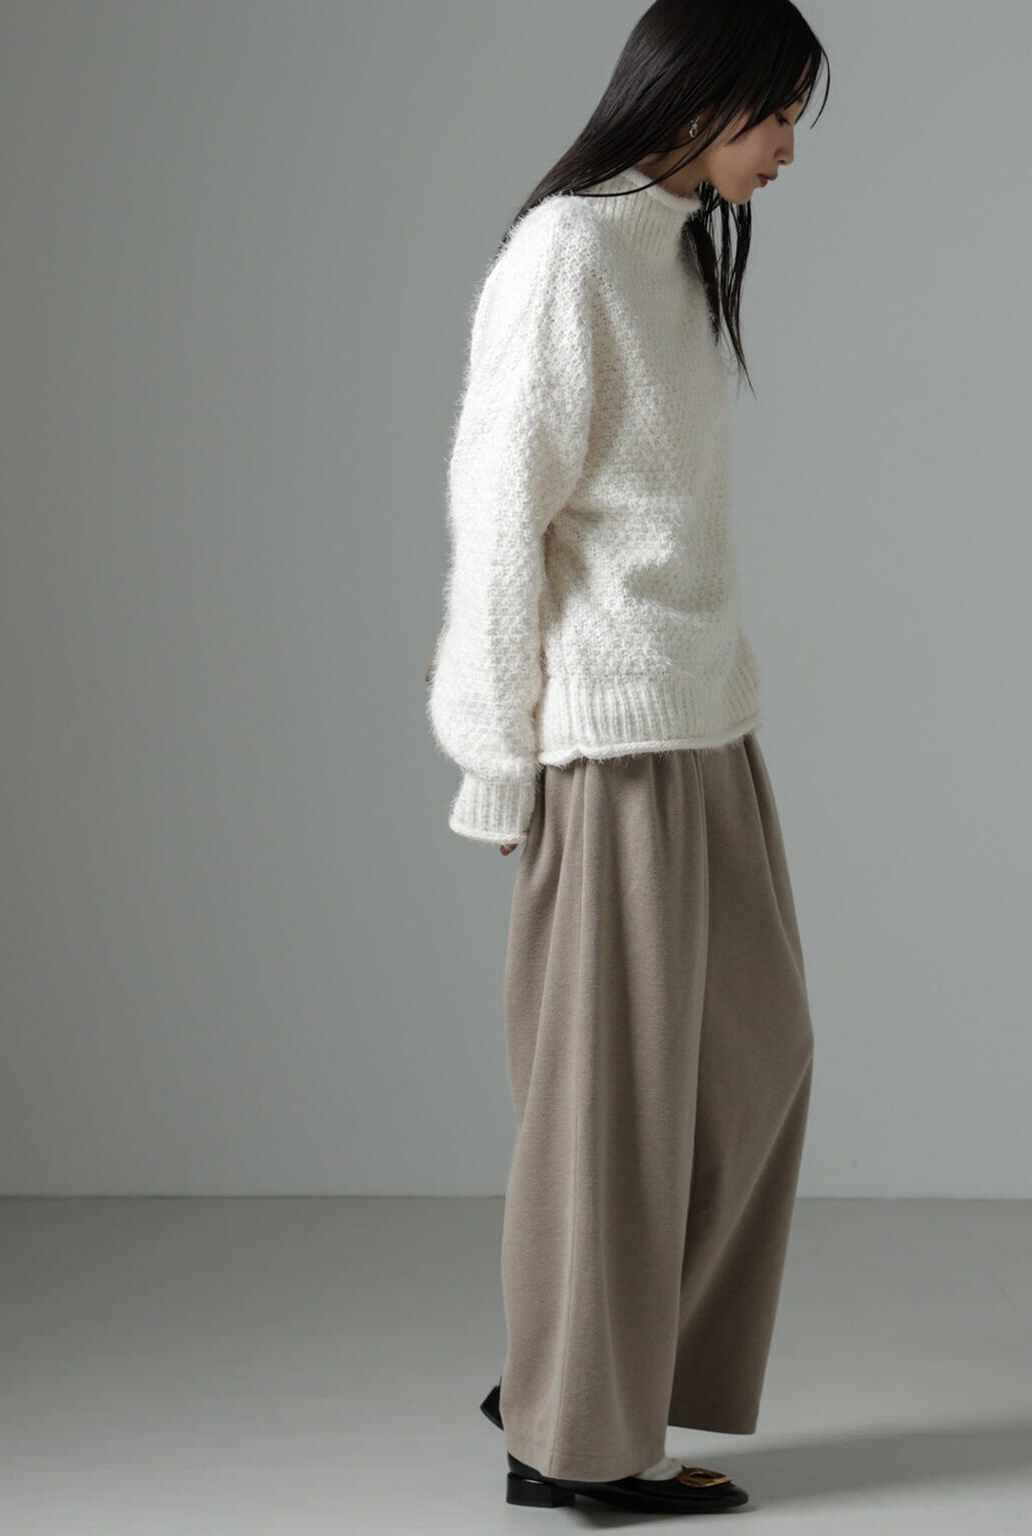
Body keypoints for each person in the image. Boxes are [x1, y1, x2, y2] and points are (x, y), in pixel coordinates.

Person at [426, 0, 829, 1515]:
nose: (788, 149)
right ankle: (575, 1442)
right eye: (777, 114)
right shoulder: (566, 255)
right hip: (607, 741)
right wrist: (494, 754)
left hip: (705, 719)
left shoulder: (670, 246)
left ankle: (573, 1363)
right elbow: (498, 519)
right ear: (703, 96)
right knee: (614, 1109)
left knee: (761, 1058)